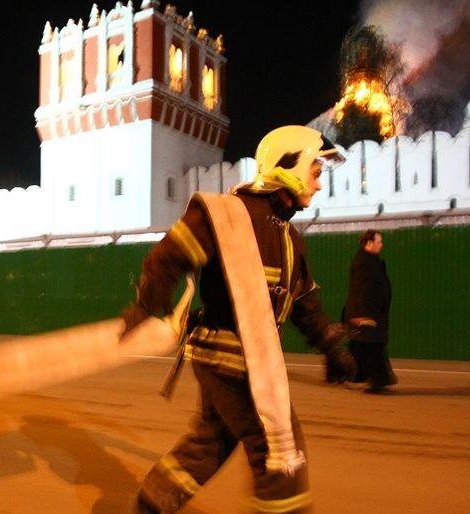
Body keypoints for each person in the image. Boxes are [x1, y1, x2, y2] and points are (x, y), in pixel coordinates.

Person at [121, 125, 357, 514]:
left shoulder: (290, 238)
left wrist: (332, 347)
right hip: (232, 362)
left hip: (239, 363)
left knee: (210, 442)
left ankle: (150, 505)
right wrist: (144, 308)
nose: (318, 185)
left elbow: (303, 304)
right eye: (315, 172)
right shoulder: (226, 215)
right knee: (282, 453)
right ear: (290, 166)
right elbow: (165, 259)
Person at [342, 229, 396, 393]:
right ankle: (376, 381)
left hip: (372, 313)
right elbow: (360, 290)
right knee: (371, 347)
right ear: (369, 243)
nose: (382, 245)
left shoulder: (371, 261)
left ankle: (358, 378)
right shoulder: (364, 263)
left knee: (363, 347)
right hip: (367, 314)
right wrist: (361, 315)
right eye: (379, 242)